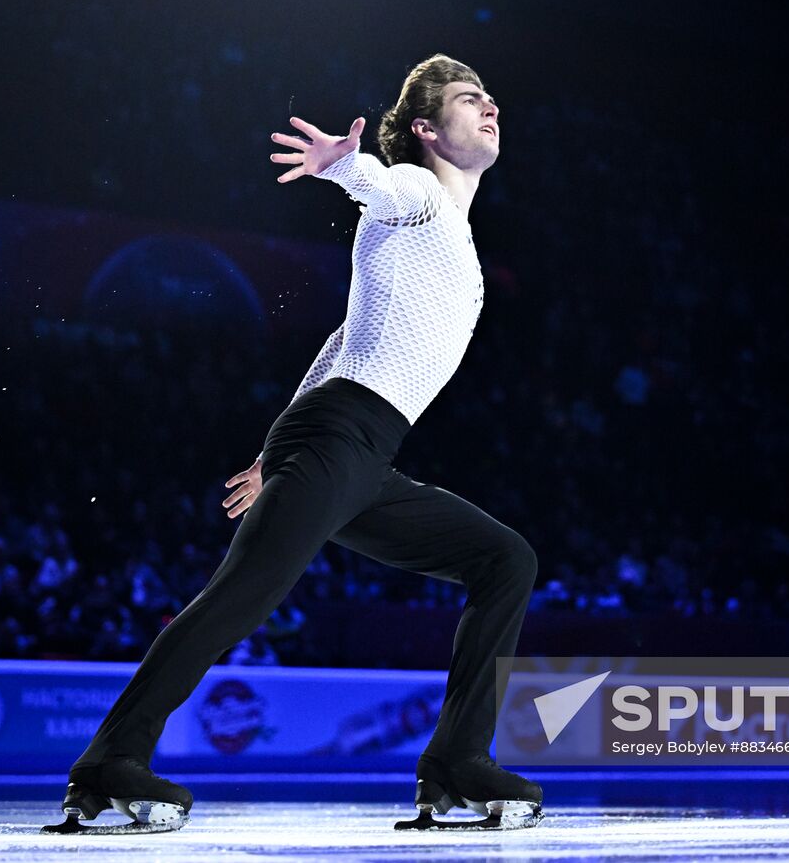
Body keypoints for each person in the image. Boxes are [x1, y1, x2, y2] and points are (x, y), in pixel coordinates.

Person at [44, 54, 542, 835]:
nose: (491, 106)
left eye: (491, 95)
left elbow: (343, 342)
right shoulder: (415, 198)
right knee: (242, 594)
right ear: (424, 128)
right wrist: (344, 168)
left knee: (505, 558)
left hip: (360, 452)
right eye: (469, 99)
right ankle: (109, 762)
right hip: (340, 435)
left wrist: (272, 445)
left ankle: (454, 763)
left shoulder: (452, 237)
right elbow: (379, 182)